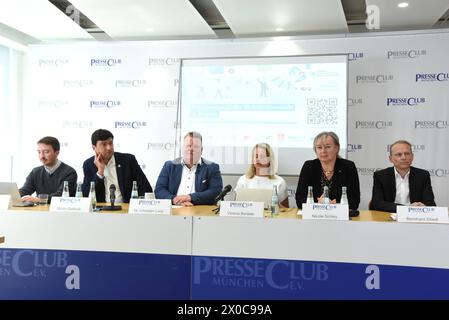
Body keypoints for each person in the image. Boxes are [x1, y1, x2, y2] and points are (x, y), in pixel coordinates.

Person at [82, 129, 152, 203]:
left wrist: (135, 206)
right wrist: (100, 173)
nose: (109, 148)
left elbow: (146, 188)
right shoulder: (88, 164)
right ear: (94, 147)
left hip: (127, 209)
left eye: (110, 143)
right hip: (101, 210)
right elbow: (86, 195)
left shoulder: (128, 160)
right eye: (104, 144)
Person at [295, 131, 360, 209]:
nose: (323, 151)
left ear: (337, 148)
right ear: (315, 150)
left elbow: (354, 201)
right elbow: (299, 199)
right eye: (319, 147)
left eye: (328, 147)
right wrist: (317, 204)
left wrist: (336, 205)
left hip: (340, 217)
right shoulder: (309, 166)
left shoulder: (348, 167)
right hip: (314, 215)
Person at [155, 132, 223, 206]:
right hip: (174, 209)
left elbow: (215, 191)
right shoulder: (169, 166)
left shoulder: (212, 167)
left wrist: (190, 197)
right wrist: (175, 200)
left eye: (195, 146)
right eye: (188, 146)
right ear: (182, 148)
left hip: (199, 211)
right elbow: (159, 190)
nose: (191, 149)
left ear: (201, 150)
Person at [369, 140, 436, 213]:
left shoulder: (423, 175)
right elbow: (377, 204)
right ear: (390, 159)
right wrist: (406, 208)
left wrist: (422, 206)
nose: (403, 157)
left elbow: (430, 203)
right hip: (389, 215)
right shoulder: (381, 176)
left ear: (412, 157)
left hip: (415, 216)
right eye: (399, 154)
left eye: (407, 154)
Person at [20, 136, 77, 203]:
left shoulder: (69, 172)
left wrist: (39, 200)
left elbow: (61, 196)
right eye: (39, 152)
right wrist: (13, 194)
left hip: (62, 211)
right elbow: (25, 191)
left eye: (46, 152)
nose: (41, 156)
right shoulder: (35, 172)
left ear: (57, 153)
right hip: (40, 211)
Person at [236, 143, 288, 207]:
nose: (258, 159)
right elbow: (236, 206)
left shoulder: (279, 182)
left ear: (269, 159)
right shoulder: (243, 180)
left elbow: (285, 209)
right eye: (256, 156)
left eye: (262, 156)